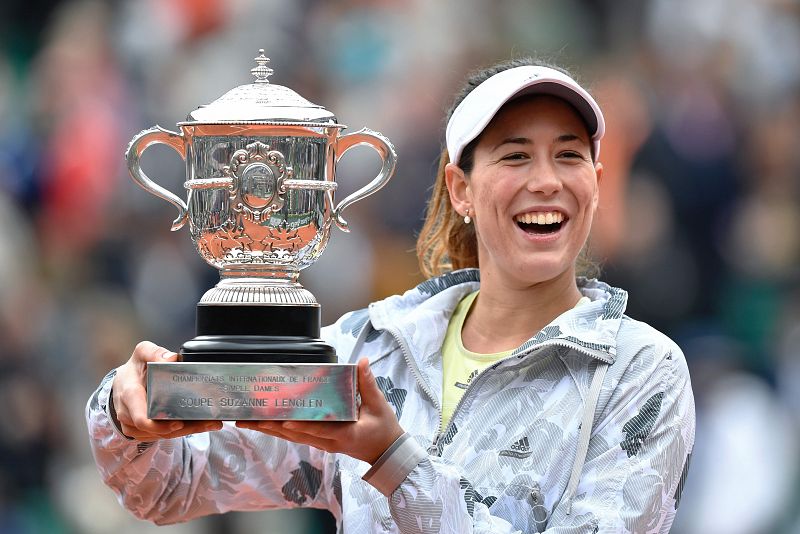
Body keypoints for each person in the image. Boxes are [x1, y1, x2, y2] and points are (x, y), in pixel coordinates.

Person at [86, 58, 695, 533]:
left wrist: (393, 460)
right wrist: (127, 412)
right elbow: (175, 486)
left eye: (569, 156)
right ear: (460, 188)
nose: (546, 181)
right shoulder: (373, 350)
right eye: (515, 156)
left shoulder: (639, 372)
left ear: (595, 180)